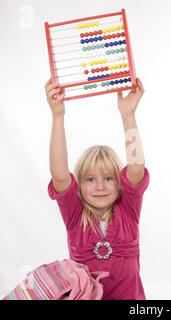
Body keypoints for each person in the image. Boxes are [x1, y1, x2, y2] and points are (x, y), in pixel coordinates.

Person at [44, 78, 149, 300]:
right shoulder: (74, 215)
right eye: (90, 179)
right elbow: (60, 174)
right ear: (79, 187)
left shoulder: (128, 210)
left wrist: (128, 115)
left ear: (120, 184)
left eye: (108, 178)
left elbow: (136, 168)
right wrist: (57, 116)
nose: (100, 186)